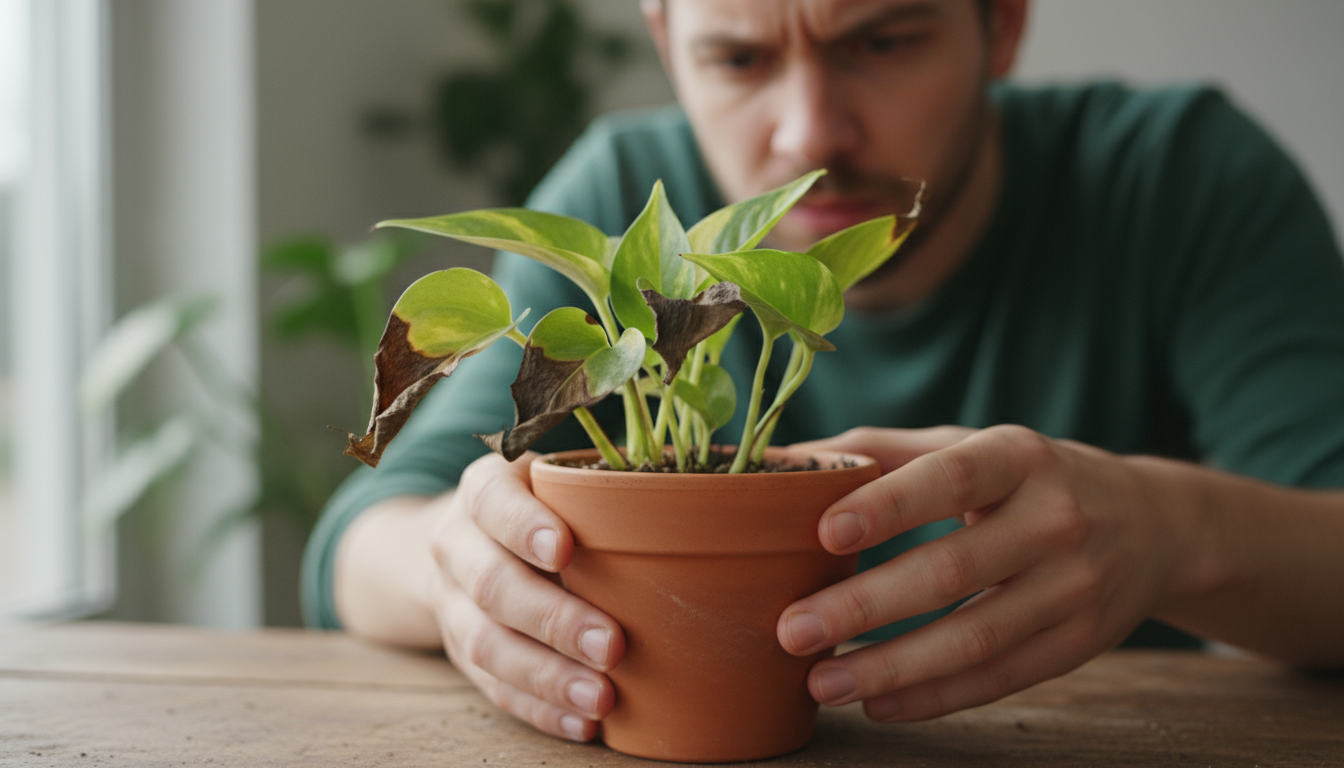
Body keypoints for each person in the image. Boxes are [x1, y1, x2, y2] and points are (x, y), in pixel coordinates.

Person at [302, 0, 1344, 745]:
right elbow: (365, 537)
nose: (810, 133)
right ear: (667, 42)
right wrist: (458, 567)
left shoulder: (1173, 178)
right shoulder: (624, 199)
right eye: (739, 59)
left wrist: (1176, 532)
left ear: (1004, 24)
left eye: (882, 40)